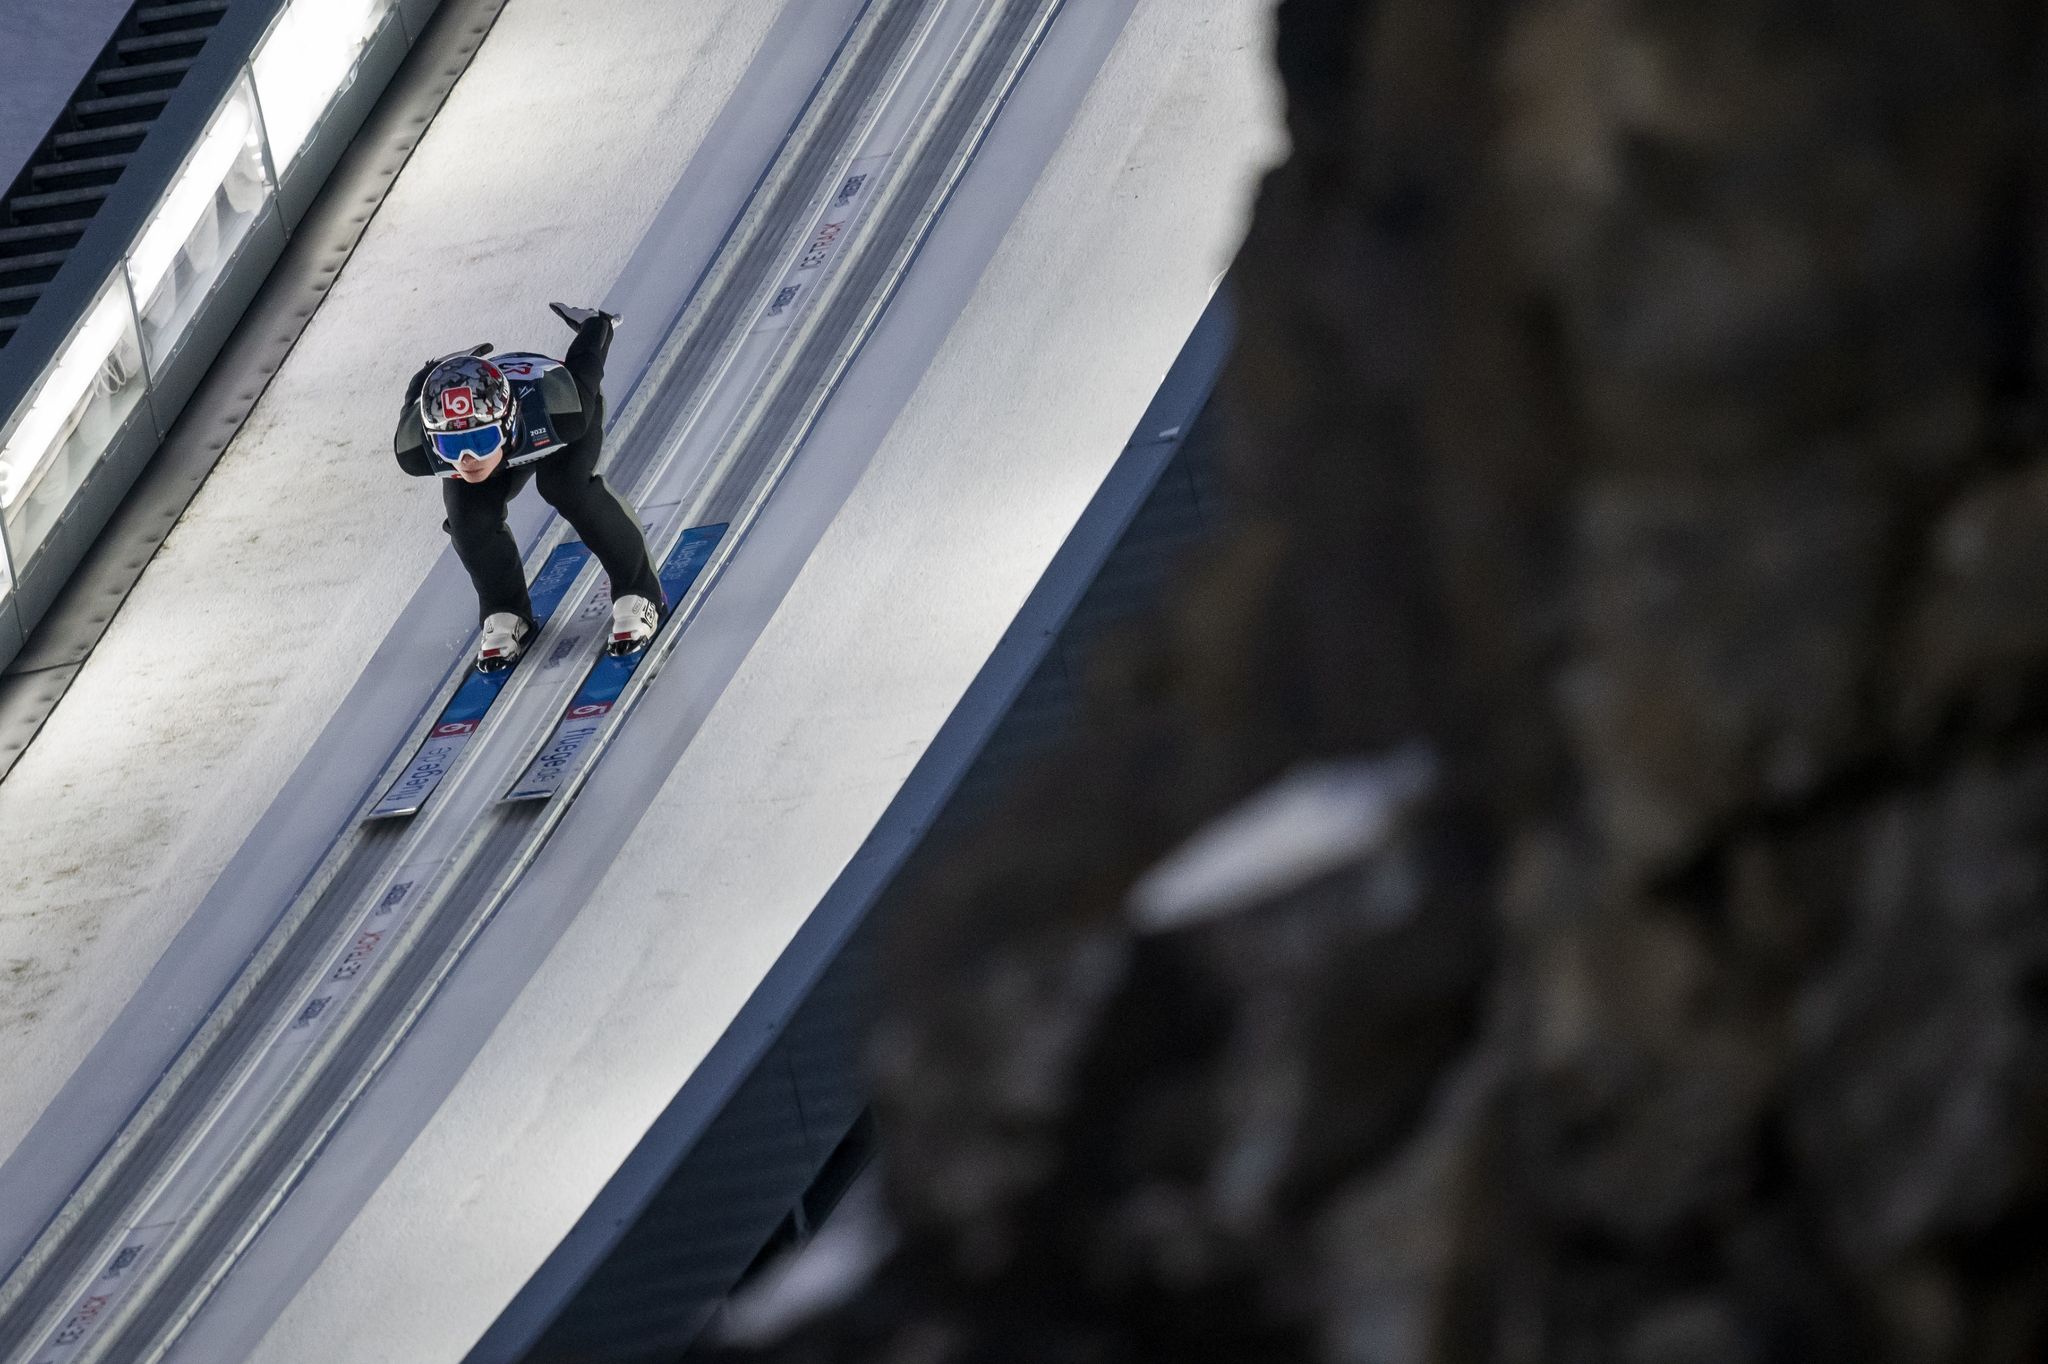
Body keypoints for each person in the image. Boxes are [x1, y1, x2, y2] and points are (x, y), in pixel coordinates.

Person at [394, 303, 664, 671]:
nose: (469, 458)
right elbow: (417, 391)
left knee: (566, 487)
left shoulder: (561, 406)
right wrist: (435, 371)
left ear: (505, 423)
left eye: (482, 439)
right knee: (467, 521)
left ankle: (638, 590)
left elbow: (587, 361)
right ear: (431, 439)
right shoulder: (415, 449)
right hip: (522, 430)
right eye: (452, 446)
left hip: (550, 428)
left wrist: (596, 324)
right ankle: (504, 610)